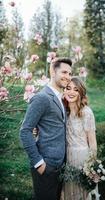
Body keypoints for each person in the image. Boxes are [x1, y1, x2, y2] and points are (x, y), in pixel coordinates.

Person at [20, 57, 72, 200]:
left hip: (60, 166)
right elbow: (25, 131)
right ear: (52, 72)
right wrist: (39, 163)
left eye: (69, 73)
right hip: (46, 166)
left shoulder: (61, 99)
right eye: (64, 72)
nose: (67, 77)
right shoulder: (42, 98)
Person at [62, 77, 98, 200]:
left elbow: (92, 143)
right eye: (68, 88)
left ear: (80, 93)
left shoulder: (86, 112)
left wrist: (91, 167)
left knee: (81, 193)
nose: (71, 92)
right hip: (66, 156)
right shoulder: (63, 110)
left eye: (76, 90)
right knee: (68, 193)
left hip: (82, 159)